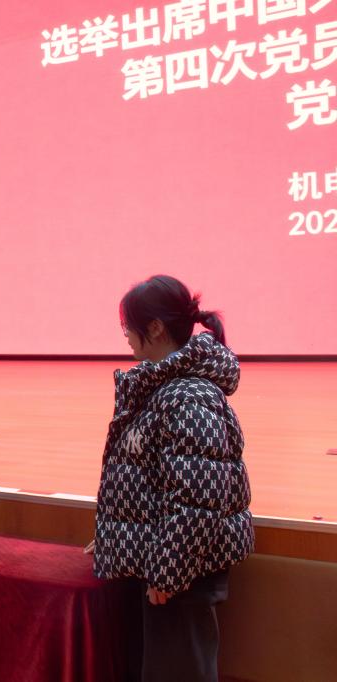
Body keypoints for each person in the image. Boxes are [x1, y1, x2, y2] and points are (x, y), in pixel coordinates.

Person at [93, 275, 254, 682]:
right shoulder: (163, 388)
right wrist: (116, 537)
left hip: (180, 576)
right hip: (169, 568)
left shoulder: (188, 397)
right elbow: (152, 483)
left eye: (128, 325)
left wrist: (168, 572)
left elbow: (197, 499)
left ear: (155, 328)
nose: (125, 335)